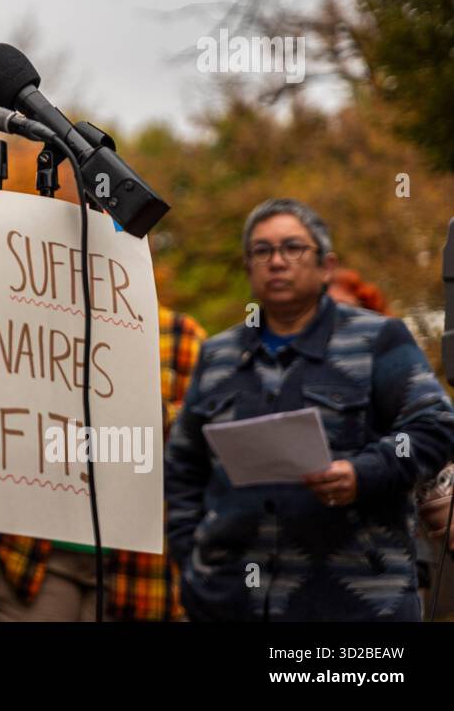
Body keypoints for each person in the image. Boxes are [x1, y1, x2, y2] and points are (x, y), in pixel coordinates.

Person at [165, 198, 454, 621]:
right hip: (232, 605)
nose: (276, 261)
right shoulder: (218, 357)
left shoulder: (378, 340)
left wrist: (364, 473)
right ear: (249, 269)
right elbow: (183, 470)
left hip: (355, 607)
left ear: (326, 266)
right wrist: (195, 571)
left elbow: (435, 425)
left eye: (292, 248)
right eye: (261, 251)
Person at [0, 305, 206, 621]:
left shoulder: (180, 335)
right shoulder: (36, 318)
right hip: (39, 554)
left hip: (139, 564)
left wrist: (149, 415)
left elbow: (203, 432)